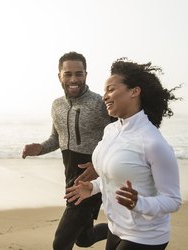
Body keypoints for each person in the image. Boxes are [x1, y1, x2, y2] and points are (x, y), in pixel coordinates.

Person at [65, 58, 182, 250]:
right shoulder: (111, 130)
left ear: (134, 92)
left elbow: (173, 200)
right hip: (116, 228)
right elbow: (117, 176)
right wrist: (93, 187)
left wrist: (139, 203)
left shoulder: (153, 143)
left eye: (111, 90)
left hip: (146, 236)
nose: (104, 97)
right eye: (105, 91)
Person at [22, 51, 112, 249]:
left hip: (91, 181)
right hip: (70, 178)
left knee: (61, 243)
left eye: (79, 74)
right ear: (59, 76)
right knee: (84, 238)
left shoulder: (100, 104)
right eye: (68, 74)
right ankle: (117, 231)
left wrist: (100, 165)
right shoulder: (57, 105)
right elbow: (56, 139)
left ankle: (119, 231)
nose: (74, 79)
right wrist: (39, 148)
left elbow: (121, 137)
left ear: (86, 75)